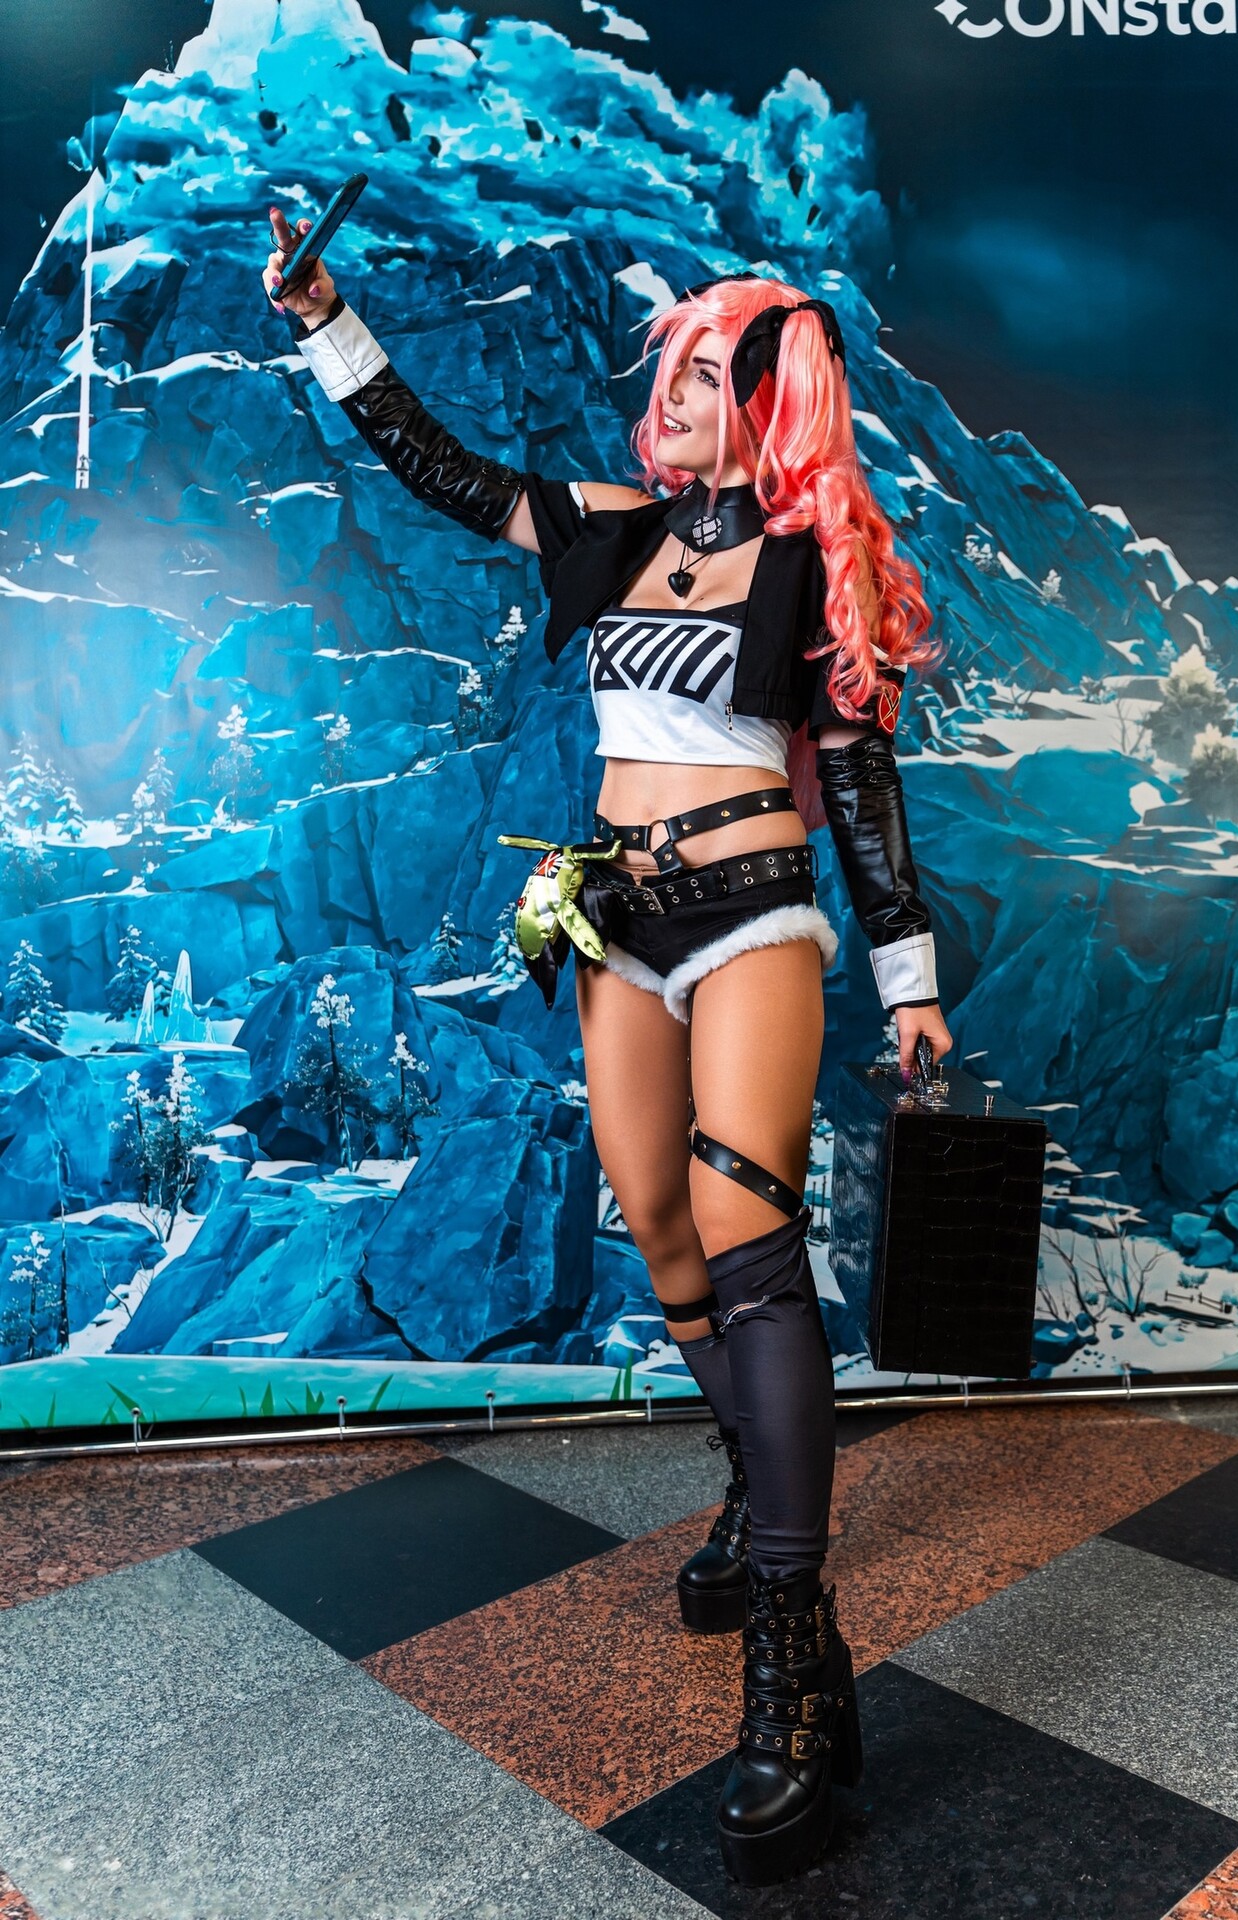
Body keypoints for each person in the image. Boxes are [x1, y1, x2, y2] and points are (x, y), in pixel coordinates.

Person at [263, 208, 953, 1887]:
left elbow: (862, 787)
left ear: (771, 402)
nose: (676, 395)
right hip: (616, 916)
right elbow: (441, 469)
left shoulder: (815, 564)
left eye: (710, 375)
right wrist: (328, 316)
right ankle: (755, 1486)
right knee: (656, 1227)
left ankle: (795, 1658)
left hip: (755, 911)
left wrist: (910, 980)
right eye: (677, 372)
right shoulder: (614, 525)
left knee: (745, 1234)